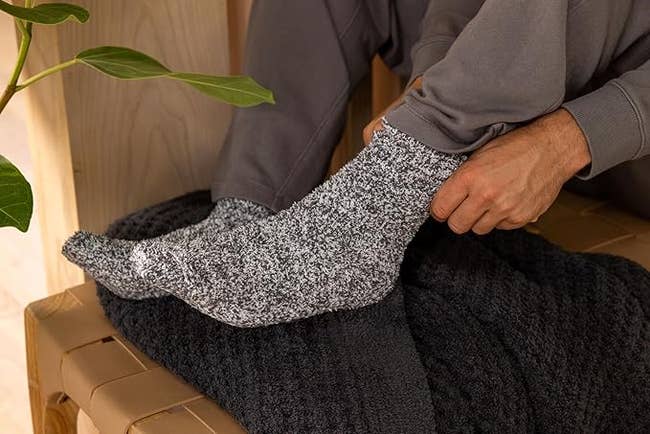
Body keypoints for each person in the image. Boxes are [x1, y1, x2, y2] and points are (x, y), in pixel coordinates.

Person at [62, 0, 649, 328]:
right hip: (525, 71)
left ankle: (358, 228)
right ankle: (242, 220)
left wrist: (570, 137)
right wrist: (436, 72)